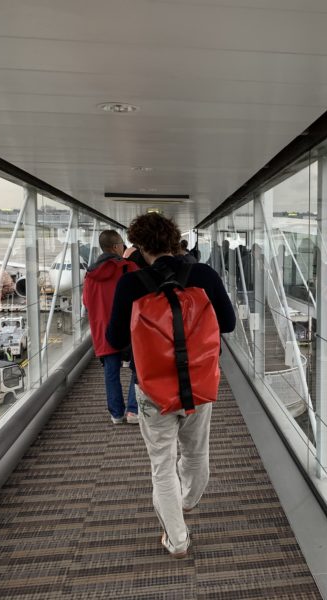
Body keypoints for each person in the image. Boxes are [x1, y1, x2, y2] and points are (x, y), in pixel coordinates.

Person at [106, 213, 235, 558]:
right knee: (196, 452)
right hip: (199, 380)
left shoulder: (132, 284)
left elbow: (114, 338)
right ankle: (189, 500)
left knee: (162, 464)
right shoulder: (203, 274)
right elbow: (229, 323)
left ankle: (177, 539)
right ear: (175, 240)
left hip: (152, 388)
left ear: (140, 246)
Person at [82, 230, 139, 425]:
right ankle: (133, 410)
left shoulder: (90, 274)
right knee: (137, 368)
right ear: (116, 247)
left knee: (111, 372)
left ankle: (116, 414)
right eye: (122, 244)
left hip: (102, 330)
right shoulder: (129, 267)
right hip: (129, 327)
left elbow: (87, 303)